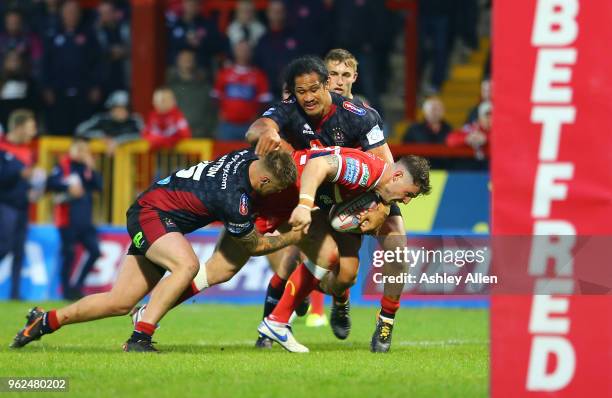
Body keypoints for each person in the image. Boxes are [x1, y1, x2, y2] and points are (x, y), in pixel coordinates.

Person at [11, 149, 302, 352]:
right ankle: (141, 337)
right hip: (151, 214)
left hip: (154, 212)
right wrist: (293, 236)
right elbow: (255, 245)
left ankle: (46, 320)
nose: (274, 193)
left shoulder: (246, 156)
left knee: (120, 302)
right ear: (264, 180)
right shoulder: (233, 198)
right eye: (275, 188)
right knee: (186, 264)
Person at [247, 55, 411, 352]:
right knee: (324, 265)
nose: (339, 79)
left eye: (344, 74)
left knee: (397, 247)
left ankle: (385, 322)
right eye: (333, 73)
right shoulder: (295, 110)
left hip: (371, 193)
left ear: (350, 78)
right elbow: (260, 129)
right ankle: (286, 312)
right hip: (325, 196)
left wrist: (382, 209)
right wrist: (269, 133)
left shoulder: (361, 115)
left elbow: (387, 172)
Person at [259, 152, 431, 352]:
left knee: (349, 275)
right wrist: (305, 205)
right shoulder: (363, 171)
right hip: (301, 196)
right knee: (322, 255)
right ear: (398, 176)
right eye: (409, 194)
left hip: (343, 204)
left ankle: (380, 318)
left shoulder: (383, 185)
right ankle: (277, 318)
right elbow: (317, 165)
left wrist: (377, 210)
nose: (407, 201)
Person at [46, 137, 102, 300]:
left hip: (85, 221)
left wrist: (92, 167)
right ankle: (65, 291)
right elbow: (50, 183)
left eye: (85, 150)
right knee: (68, 255)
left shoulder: (87, 169)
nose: (82, 153)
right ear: (72, 150)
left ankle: (77, 285)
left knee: (95, 252)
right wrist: (68, 187)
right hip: (67, 220)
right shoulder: (63, 165)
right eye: (79, 149)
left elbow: (99, 186)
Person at [0, 109, 40, 300]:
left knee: (18, 250)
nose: (34, 132)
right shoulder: (2, 147)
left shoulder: (28, 151)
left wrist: (32, 189)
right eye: (31, 127)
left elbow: (26, 179)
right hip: (4, 205)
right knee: (4, 246)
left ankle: (15, 295)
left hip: (22, 206)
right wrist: (18, 174)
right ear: (18, 127)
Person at [211, 40, 272, 141]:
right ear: (234, 51)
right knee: (223, 155)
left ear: (251, 52)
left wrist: (257, 117)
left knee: (249, 155)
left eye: (246, 50)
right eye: (240, 49)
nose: (243, 52)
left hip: (250, 126)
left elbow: (265, 102)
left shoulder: (258, 75)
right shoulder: (224, 73)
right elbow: (215, 97)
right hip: (227, 125)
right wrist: (220, 113)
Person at [253, 0, 302, 98]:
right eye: (274, 11)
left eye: (280, 11)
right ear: (268, 13)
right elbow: (257, 66)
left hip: (291, 91)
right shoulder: (262, 40)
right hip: (267, 93)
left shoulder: (295, 37)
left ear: (285, 13)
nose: (277, 15)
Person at [166, 49, 215, 138]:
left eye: (189, 59)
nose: (186, 62)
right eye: (183, 59)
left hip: (200, 135)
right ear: (177, 62)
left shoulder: (204, 86)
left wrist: (207, 131)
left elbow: (211, 111)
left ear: (194, 62)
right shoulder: (170, 87)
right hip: (175, 137)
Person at [76, 90, 143, 155]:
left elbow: (144, 135)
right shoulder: (102, 120)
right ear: (111, 109)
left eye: (123, 108)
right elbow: (80, 130)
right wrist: (102, 136)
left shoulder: (134, 121)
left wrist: (118, 141)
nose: (120, 111)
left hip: (129, 164)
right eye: (117, 108)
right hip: (103, 162)